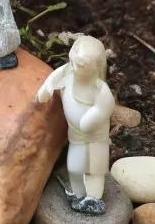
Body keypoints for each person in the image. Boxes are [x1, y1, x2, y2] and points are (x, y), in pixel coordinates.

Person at [36, 35, 114, 214]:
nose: (78, 68)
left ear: (97, 66)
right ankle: (78, 193)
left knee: (95, 168)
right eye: (76, 63)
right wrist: (46, 89)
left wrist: (90, 119)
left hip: (95, 138)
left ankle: (94, 197)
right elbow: (54, 77)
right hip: (76, 135)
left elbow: (104, 107)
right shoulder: (68, 73)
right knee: (74, 166)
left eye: (83, 65)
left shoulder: (100, 89)